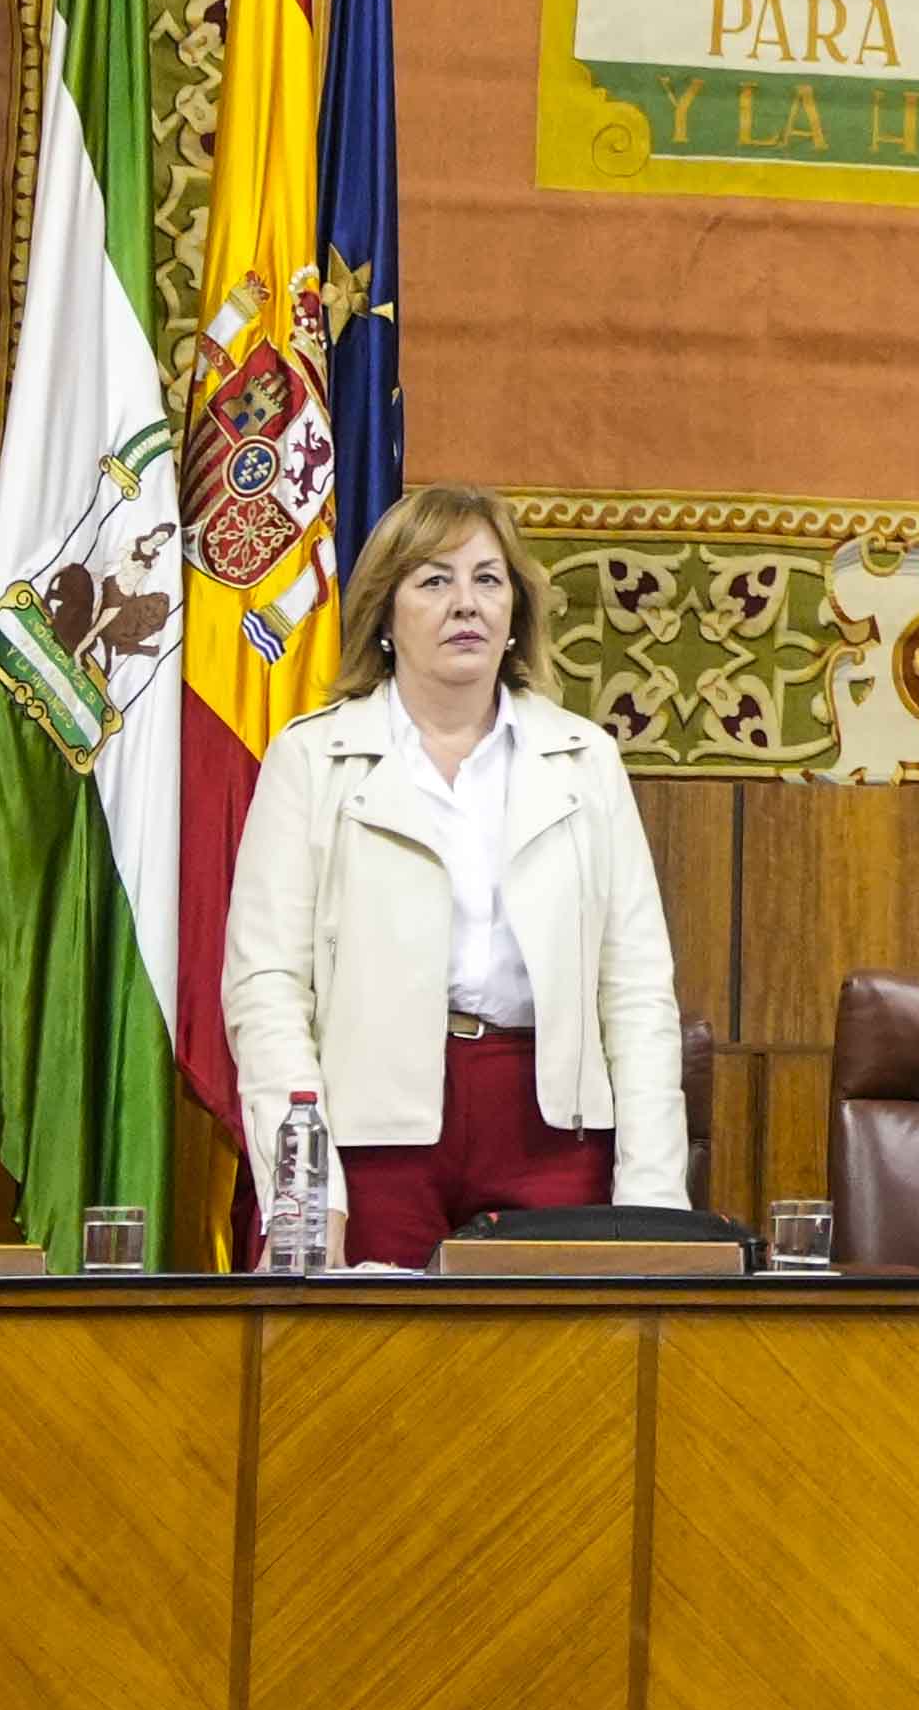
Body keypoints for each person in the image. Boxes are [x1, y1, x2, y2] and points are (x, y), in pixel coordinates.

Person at [218, 484, 682, 1263]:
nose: (465, 602)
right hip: (371, 1136)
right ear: (385, 614)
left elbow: (636, 990)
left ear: (514, 614)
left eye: (487, 579)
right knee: (371, 1343)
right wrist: (308, 1192)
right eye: (434, 579)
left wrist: (654, 1202)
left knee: (560, 1345)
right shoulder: (311, 758)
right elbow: (265, 988)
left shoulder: (585, 759)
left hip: (550, 1136)